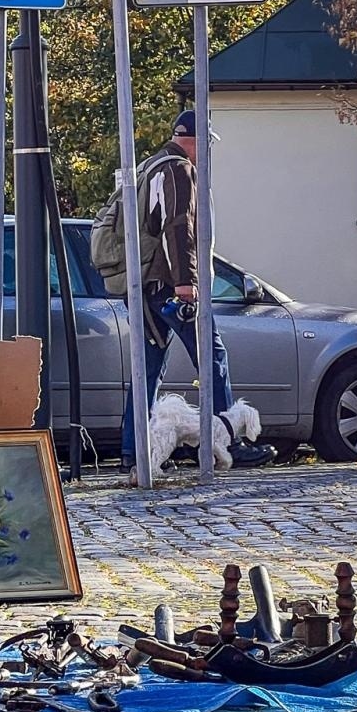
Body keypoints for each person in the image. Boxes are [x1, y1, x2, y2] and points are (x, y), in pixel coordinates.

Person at [120, 111, 273, 472]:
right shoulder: (178, 170)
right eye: (206, 143)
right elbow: (179, 228)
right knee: (211, 356)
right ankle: (226, 439)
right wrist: (186, 284)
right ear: (193, 140)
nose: (206, 152)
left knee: (148, 368)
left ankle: (135, 448)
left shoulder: (150, 166)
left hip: (144, 284)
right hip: (171, 287)